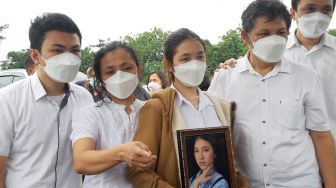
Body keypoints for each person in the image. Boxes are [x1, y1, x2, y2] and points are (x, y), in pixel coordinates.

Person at [208, 0, 336, 187]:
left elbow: (320, 136)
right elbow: (208, 129)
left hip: (300, 181)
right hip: (247, 182)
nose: (274, 39)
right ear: (245, 36)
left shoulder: (307, 78)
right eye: (264, 34)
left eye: (281, 33)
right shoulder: (225, 78)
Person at [128, 28, 248, 188]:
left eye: (200, 57)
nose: (195, 64)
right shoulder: (157, 108)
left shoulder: (221, 107)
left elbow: (230, 164)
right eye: (185, 59)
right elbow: (137, 171)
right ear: (169, 65)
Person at [0, 13, 94, 188]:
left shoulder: (84, 98)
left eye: (74, 50)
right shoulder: (7, 101)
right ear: (35, 56)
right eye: (57, 50)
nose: (68, 58)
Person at [71, 41, 157, 188]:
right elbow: (81, 161)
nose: (119, 75)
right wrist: (121, 153)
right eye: (110, 72)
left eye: (127, 68)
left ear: (139, 70)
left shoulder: (152, 110)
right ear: (101, 79)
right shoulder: (90, 113)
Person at [285, 0, 336, 152]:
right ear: (293, 13)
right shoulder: (276, 53)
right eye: (310, 9)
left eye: (326, 10)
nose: (318, 16)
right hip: (293, 155)